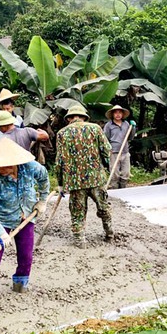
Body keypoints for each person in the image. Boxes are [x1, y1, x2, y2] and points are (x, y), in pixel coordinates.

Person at [0, 138, 49, 299]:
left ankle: (20, 285)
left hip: (26, 216)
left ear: (13, 162)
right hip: (1, 220)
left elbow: (44, 178)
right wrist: (0, 231)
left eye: (4, 165)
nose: (0, 168)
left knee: (26, 255)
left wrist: (42, 200)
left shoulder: (30, 168)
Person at [55, 104, 112, 248]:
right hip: (96, 178)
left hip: (75, 182)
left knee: (77, 212)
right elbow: (106, 151)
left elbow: (59, 161)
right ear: (84, 117)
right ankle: (109, 232)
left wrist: (60, 183)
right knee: (104, 207)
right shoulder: (96, 128)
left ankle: (80, 241)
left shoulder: (62, 133)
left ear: (69, 118)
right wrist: (105, 167)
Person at [103, 105, 136, 189]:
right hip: (113, 151)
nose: (118, 114)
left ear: (122, 114)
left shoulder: (126, 124)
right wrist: (107, 150)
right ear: (113, 114)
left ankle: (123, 188)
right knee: (115, 173)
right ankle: (115, 189)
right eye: (116, 113)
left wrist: (133, 128)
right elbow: (105, 139)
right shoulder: (108, 125)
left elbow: (130, 137)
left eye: (120, 112)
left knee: (126, 172)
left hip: (125, 151)